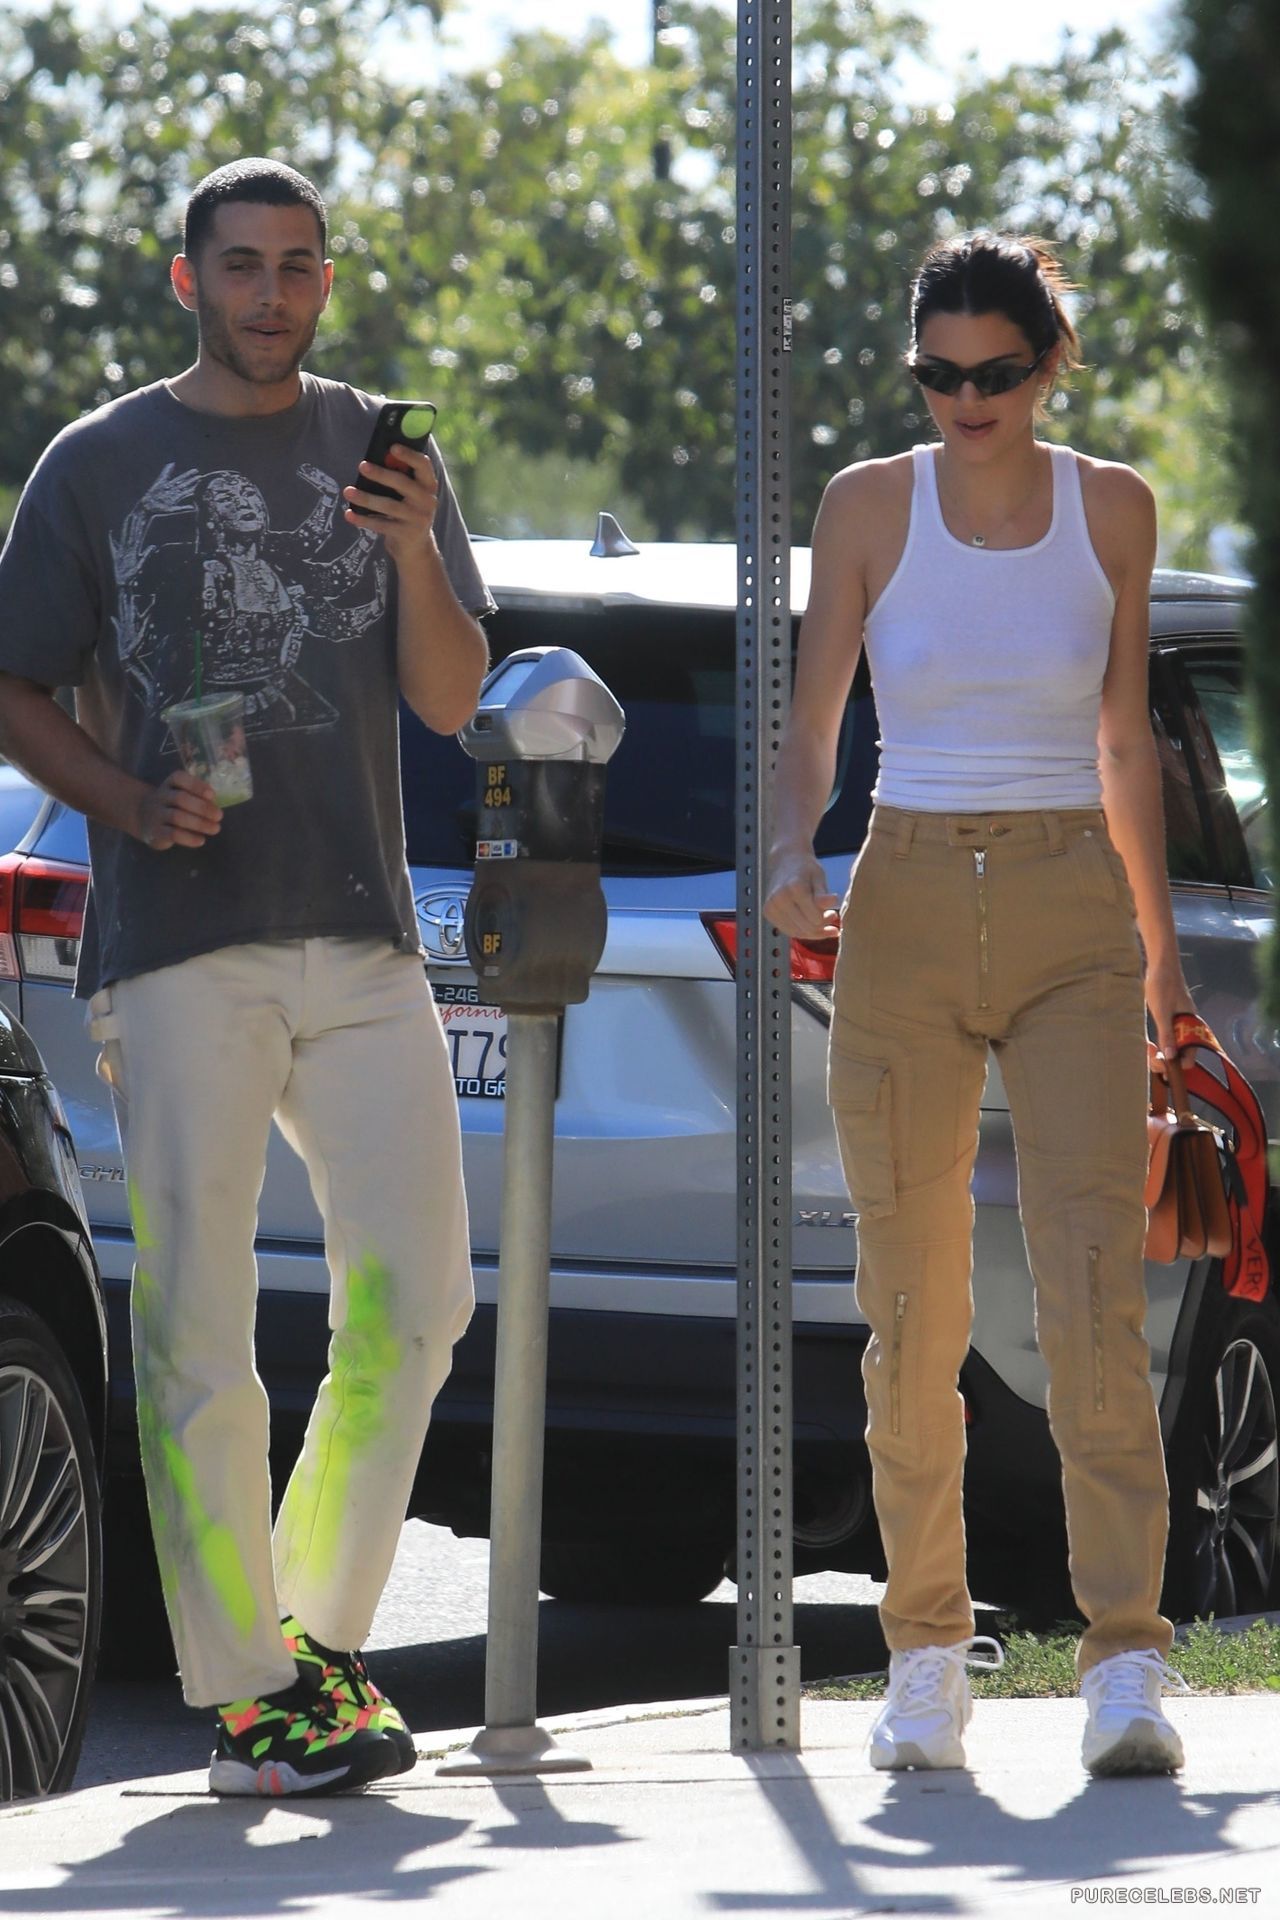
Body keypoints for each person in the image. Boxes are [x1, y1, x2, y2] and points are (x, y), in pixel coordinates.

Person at [0, 159, 493, 1797]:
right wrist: (125, 797)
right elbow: (12, 679)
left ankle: (313, 1644)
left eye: (297, 267)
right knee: (201, 1326)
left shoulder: (384, 451)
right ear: (186, 279)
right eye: (241, 266)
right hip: (176, 945)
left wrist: (416, 550)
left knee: (418, 1301)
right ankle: (246, 1700)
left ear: (327, 282)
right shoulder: (96, 462)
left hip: (363, 932)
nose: (270, 295)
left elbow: (450, 698)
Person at [765, 231, 1190, 1778]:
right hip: (908, 899)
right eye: (936, 373)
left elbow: (1125, 743)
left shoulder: (1114, 507)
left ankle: (1127, 1661)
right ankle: (927, 1656)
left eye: (995, 370)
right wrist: (785, 845)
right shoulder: (866, 506)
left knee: (1090, 1289)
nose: (965, 398)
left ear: (1049, 361)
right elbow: (814, 724)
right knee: (910, 1309)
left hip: (1075, 902)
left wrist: (1162, 960)